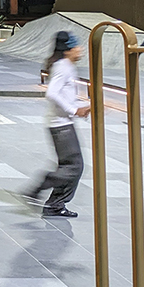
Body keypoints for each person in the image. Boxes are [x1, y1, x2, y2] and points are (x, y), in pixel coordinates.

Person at [23, 30, 92, 218]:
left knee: (71, 166)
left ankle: (54, 205)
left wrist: (81, 107)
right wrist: (74, 110)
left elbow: (65, 95)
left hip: (62, 123)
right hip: (60, 126)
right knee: (74, 167)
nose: (81, 50)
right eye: (77, 47)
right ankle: (43, 186)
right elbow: (52, 93)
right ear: (68, 49)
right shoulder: (63, 67)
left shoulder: (66, 66)